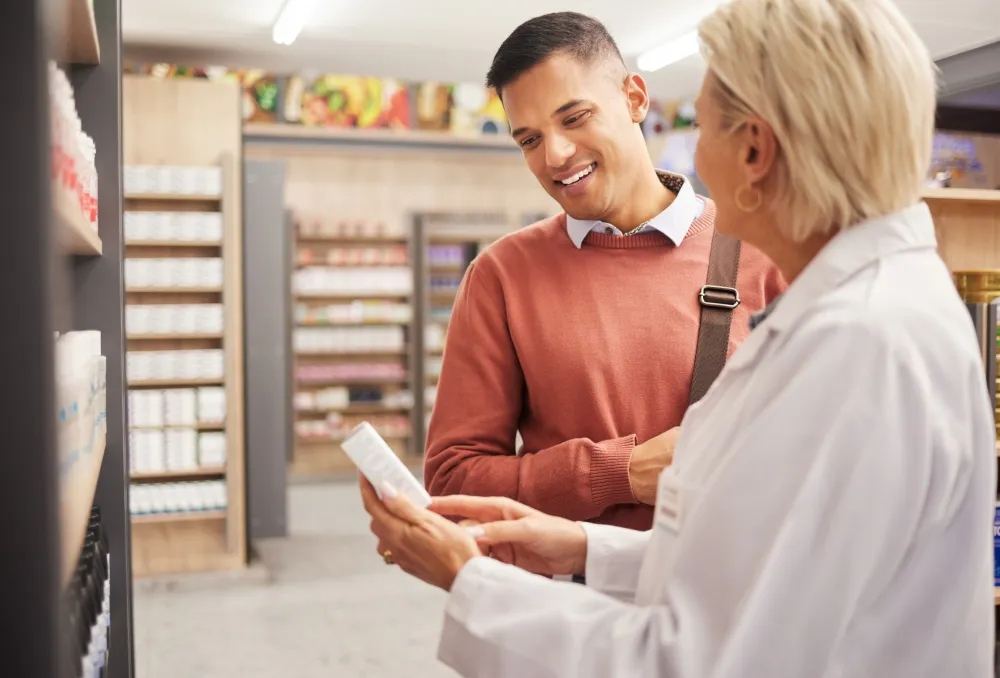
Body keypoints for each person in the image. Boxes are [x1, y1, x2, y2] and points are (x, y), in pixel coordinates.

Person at [363, 0, 997, 675]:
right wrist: (583, 545)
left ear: (754, 148)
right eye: (528, 137)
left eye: (702, 123)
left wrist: (472, 582)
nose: (693, 151)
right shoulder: (878, 307)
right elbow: (749, 562)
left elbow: (696, 658)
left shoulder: (859, 345)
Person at [424, 12, 784, 529]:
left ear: (635, 98)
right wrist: (621, 473)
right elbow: (454, 480)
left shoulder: (767, 253)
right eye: (529, 139)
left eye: (574, 118)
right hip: (567, 599)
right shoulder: (500, 276)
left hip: (734, 593)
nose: (556, 155)